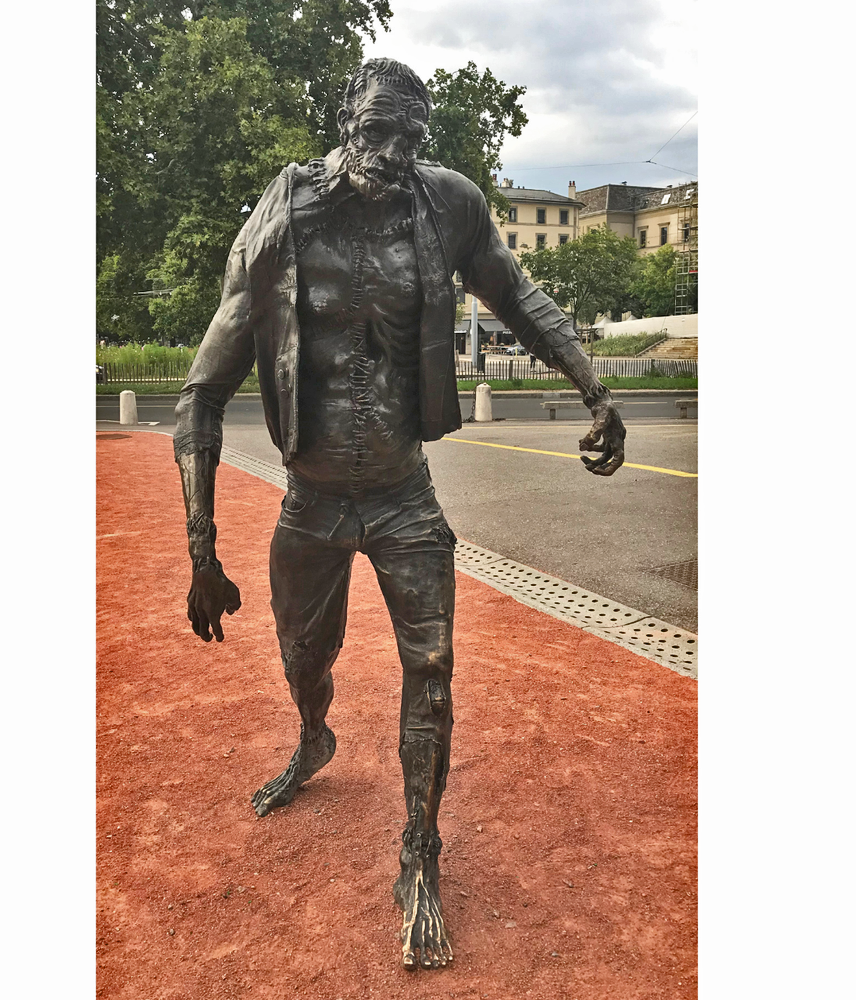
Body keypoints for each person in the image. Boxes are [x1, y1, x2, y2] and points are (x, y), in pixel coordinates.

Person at [172, 57, 625, 969]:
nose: (390, 151)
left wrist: (593, 390)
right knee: (305, 652)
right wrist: (201, 548)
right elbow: (199, 396)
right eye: (376, 129)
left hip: (403, 495)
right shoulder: (282, 224)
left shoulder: (445, 204)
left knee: (435, 666)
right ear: (345, 117)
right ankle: (313, 732)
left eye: (409, 138)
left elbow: (519, 294)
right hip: (311, 499)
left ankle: (420, 851)